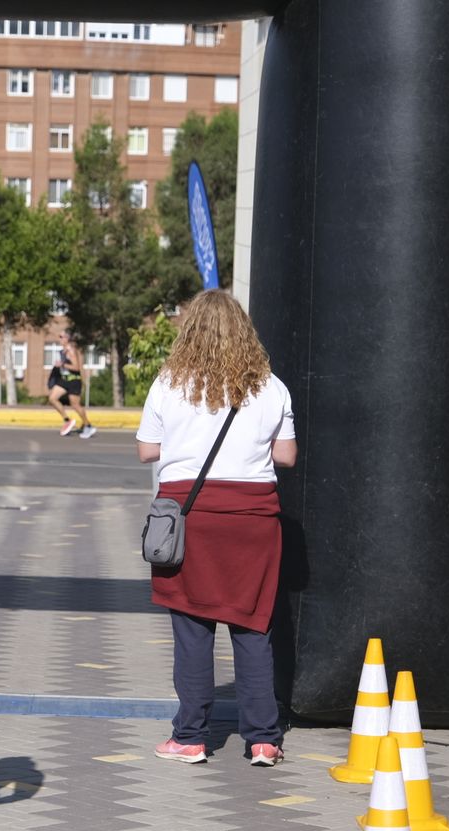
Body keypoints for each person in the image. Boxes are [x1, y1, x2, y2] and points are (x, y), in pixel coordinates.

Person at [134, 289, 297, 767]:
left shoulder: (170, 383)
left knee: (192, 630)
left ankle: (190, 738)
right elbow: (286, 456)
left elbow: (147, 450)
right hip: (254, 521)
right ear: (244, 332)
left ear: (189, 331)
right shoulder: (271, 386)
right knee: (253, 628)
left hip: (190, 518)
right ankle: (264, 739)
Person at [45, 329, 95, 438]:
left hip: (74, 380)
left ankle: (88, 426)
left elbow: (77, 367)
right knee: (52, 398)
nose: (59, 339)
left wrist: (62, 365)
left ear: (67, 339)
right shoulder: (64, 351)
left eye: (61, 337)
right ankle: (67, 420)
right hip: (65, 379)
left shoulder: (71, 350)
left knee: (75, 405)